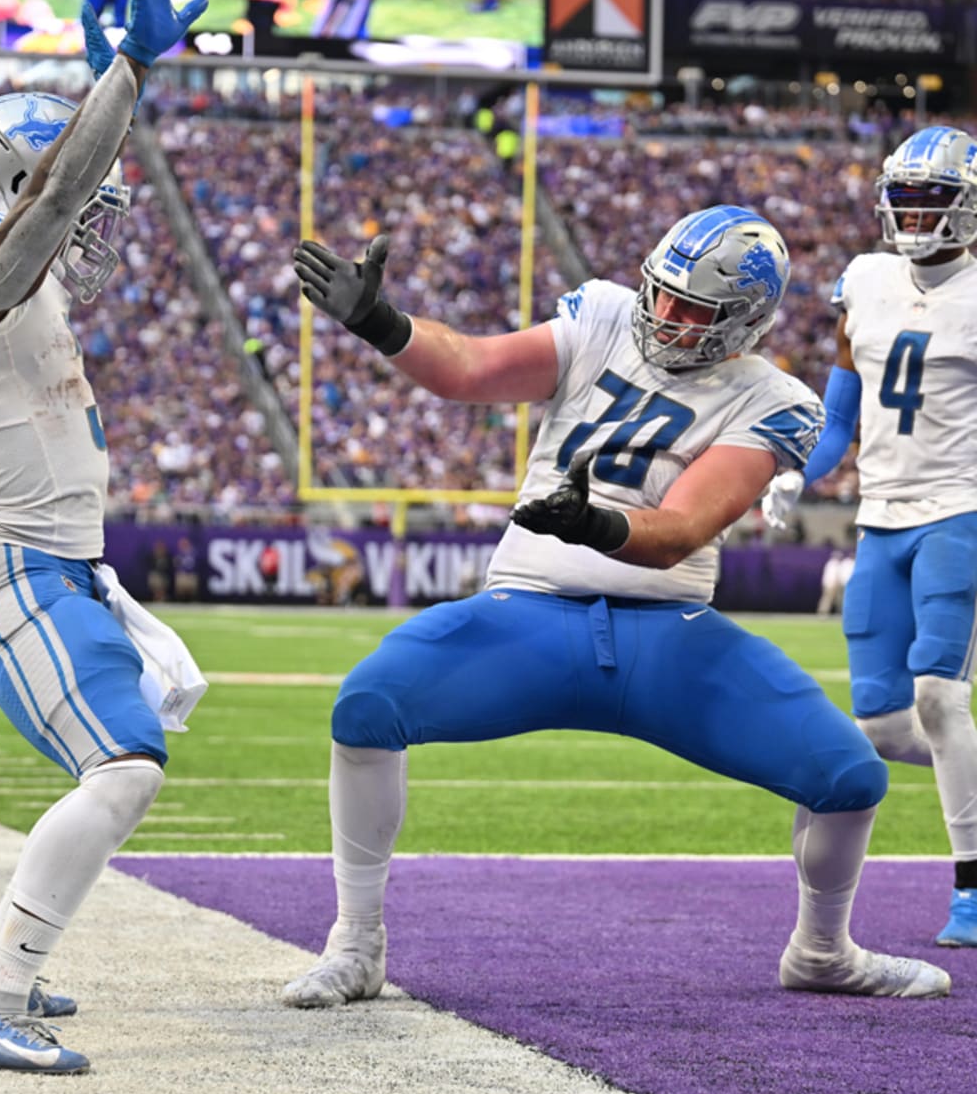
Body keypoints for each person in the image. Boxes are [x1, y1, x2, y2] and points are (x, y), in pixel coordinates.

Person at [281, 205, 951, 1011]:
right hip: (527, 612)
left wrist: (595, 523)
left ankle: (821, 950)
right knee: (367, 706)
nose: (667, 316)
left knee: (847, 776)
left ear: (745, 322)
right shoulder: (601, 315)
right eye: (662, 295)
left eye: (693, 309)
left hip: (667, 636)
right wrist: (381, 322)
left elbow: (680, 531)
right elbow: (473, 368)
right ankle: (356, 945)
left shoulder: (776, 400)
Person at [0, 0, 207, 1074]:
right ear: (14, 190)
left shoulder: (11, 267)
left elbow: (62, 195)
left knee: (125, 762)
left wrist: (94, 102)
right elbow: (46, 210)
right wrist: (121, 80)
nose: (94, 225)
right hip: (8, 565)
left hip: (60, 565)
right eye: (74, 201)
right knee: (123, 768)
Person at [763, 124, 977, 948]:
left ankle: (970, 890)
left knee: (938, 697)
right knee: (887, 725)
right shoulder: (867, 280)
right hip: (880, 518)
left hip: (957, 509)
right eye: (906, 199)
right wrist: (792, 470)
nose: (916, 216)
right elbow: (842, 412)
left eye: (934, 200)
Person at [816, 540, 855, 617]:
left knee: (838, 599)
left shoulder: (833, 563)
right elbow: (834, 576)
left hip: (833, 583)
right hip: (833, 584)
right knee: (829, 598)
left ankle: (839, 612)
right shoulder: (834, 564)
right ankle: (823, 613)